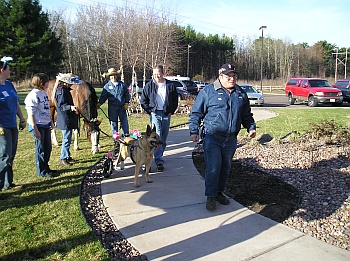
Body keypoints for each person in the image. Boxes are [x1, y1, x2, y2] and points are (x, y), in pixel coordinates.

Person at [189, 63, 256, 211]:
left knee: (225, 168)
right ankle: (211, 197)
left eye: (234, 76)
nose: (232, 79)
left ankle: (219, 192)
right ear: (220, 76)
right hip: (212, 137)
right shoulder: (208, 92)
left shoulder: (240, 94)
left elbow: (246, 115)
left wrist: (251, 127)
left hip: (231, 138)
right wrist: (193, 131)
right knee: (213, 167)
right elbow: (196, 114)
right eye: (229, 76)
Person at [140, 65, 178, 172]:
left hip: (166, 113)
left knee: (163, 139)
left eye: (158, 73)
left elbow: (175, 100)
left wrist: (172, 111)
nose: (157, 76)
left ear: (163, 73)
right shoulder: (149, 85)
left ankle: (158, 156)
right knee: (158, 136)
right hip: (155, 113)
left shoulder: (170, 85)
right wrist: (150, 111)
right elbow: (143, 100)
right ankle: (158, 161)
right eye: (155, 74)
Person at [0, 56, 26, 197]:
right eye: (8, 69)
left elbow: (16, 103)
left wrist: (22, 119)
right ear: (1, 70)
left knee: (11, 155)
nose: (10, 71)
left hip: (12, 124)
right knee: (4, 155)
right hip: (2, 127)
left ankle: (7, 183)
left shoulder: (9, 85)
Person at [24, 73, 56, 178]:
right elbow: (31, 113)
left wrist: (50, 121)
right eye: (47, 81)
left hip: (46, 124)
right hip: (38, 125)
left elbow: (47, 109)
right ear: (41, 82)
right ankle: (41, 171)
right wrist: (35, 129)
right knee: (40, 148)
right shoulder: (33, 95)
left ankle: (46, 167)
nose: (48, 83)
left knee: (48, 147)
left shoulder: (44, 93)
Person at [53, 73, 80, 166]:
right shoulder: (62, 90)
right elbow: (61, 105)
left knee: (68, 138)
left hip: (68, 117)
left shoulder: (65, 89)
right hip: (64, 118)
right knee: (66, 139)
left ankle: (67, 156)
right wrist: (70, 107)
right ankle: (63, 158)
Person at [97, 68, 130, 136]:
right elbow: (103, 97)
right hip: (112, 108)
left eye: (114, 75)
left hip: (122, 108)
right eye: (111, 75)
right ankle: (116, 141)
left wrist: (126, 102)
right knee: (114, 124)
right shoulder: (106, 87)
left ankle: (127, 139)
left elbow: (127, 94)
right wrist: (99, 103)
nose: (113, 77)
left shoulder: (122, 85)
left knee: (124, 124)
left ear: (117, 76)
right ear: (109, 77)